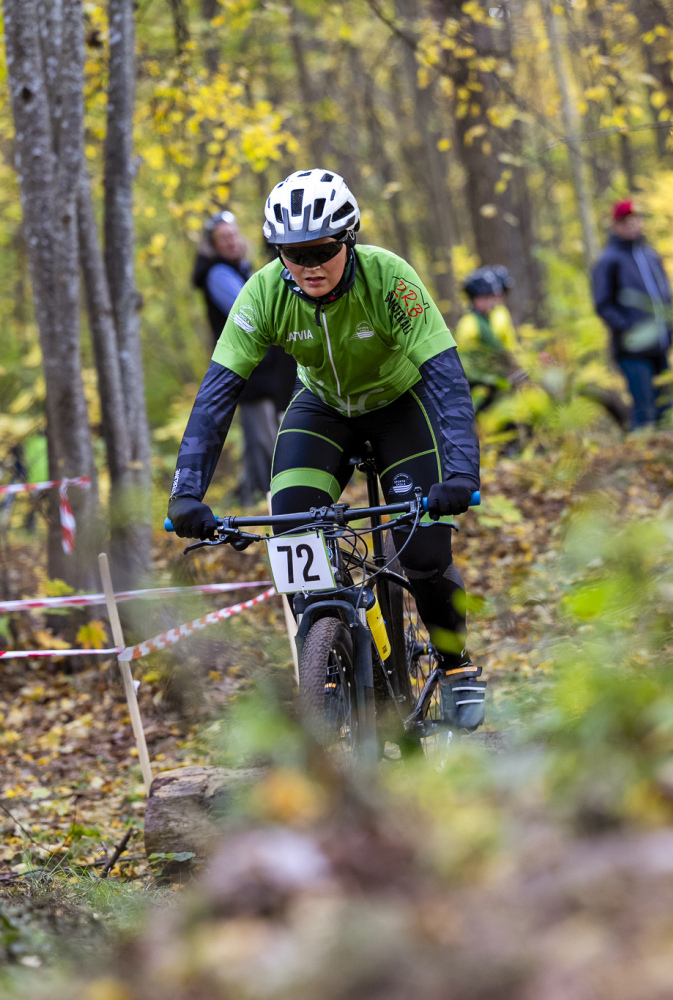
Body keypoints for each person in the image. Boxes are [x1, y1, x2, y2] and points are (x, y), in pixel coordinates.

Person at [167, 169, 487, 731]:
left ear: (349, 240)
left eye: (322, 250)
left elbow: (446, 380)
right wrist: (186, 491)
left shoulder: (389, 278)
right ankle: (328, 660)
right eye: (293, 253)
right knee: (292, 525)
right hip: (323, 408)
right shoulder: (263, 292)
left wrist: (461, 472)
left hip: (400, 405)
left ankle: (456, 664)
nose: (309, 265)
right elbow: (217, 396)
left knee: (423, 553)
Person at [192, 210, 298, 505]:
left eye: (233, 235)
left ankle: (251, 496)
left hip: (262, 370)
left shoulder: (240, 268)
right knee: (262, 439)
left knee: (262, 438)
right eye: (224, 238)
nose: (232, 241)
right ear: (214, 245)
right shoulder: (218, 273)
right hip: (249, 369)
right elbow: (248, 309)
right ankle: (265, 498)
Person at [591, 201, 673, 430]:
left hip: (660, 344)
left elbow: (666, 295)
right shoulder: (608, 260)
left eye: (636, 220)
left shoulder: (650, 255)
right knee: (645, 409)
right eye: (626, 221)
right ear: (616, 225)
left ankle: (669, 448)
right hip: (632, 350)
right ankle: (641, 446)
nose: (633, 225)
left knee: (666, 408)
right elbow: (603, 304)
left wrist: (669, 329)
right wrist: (628, 328)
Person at [454, 265, 523, 412]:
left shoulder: (490, 318)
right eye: (486, 298)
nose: (491, 301)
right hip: (480, 386)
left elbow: (507, 346)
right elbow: (463, 361)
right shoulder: (469, 323)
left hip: (496, 381)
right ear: (475, 299)